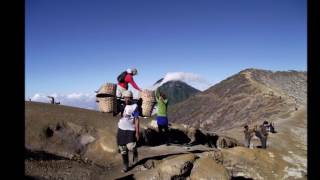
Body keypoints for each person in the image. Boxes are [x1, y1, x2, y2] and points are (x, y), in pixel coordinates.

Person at [116, 90, 140, 172]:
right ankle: (126, 166)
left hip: (130, 130)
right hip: (121, 129)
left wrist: (137, 132)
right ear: (123, 98)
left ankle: (135, 152)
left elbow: (136, 120)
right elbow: (114, 111)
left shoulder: (135, 106)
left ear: (131, 98)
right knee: (123, 149)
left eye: (128, 98)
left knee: (131, 146)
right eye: (125, 97)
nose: (127, 99)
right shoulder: (122, 105)